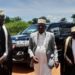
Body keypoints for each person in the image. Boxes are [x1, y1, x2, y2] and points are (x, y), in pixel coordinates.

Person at [0, 10, 12, 75]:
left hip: (4, 59)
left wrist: (4, 56)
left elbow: (9, 44)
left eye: (3, 17)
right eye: (1, 17)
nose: (3, 19)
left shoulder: (6, 30)